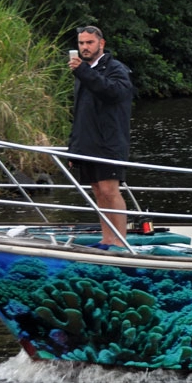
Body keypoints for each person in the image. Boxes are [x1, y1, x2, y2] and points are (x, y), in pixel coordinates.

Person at [67, 25, 134, 247]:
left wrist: (84, 73)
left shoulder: (116, 69)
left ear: (101, 44)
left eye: (89, 43)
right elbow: (81, 113)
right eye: (81, 43)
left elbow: (113, 93)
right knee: (97, 191)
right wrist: (73, 148)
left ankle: (121, 242)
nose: (84, 47)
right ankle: (107, 238)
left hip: (110, 142)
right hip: (87, 142)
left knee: (109, 190)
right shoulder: (82, 72)